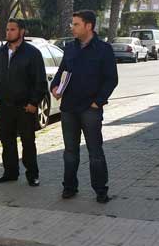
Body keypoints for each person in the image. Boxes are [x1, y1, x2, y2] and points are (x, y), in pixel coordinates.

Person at [50, 10, 118, 203]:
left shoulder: (104, 49)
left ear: (89, 26)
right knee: (70, 152)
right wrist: (54, 86)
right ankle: (69, 187)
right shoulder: (70, 48)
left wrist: (98, 102)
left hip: (90, 109)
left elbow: (111, 79)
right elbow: (62, 71)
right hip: (69, 108)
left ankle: (101, 191)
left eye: (76, 24)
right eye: (72, 24)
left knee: (95, 152)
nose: (72, 27)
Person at [0, 18, 47, 186]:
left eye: (12, 29)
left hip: (25, 107)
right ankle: (10, 172)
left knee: (28, 142)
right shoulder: (1, 52)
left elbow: (40, 81)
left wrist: (34, 103)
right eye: (7, 29)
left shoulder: (32, 53)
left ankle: (32, 174)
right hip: (5, 106)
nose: (8, 32)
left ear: (22, 31)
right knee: (7, 141)